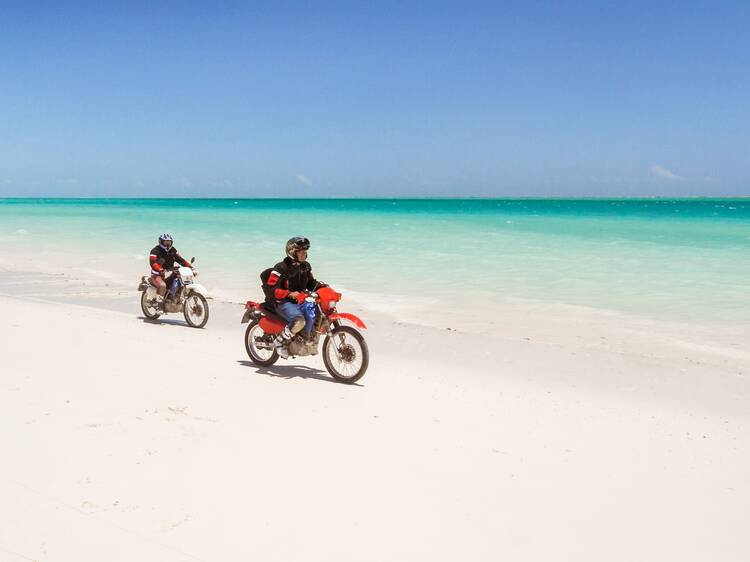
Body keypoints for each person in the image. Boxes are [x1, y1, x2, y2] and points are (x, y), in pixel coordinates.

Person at [263, 236, 325, 358]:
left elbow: (311, 283)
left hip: (299, 300)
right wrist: (289, 293)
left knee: (317, 312)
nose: (304, 254)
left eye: (305, 252)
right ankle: (280, 342)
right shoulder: (280, 267)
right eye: (301, 251)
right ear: (292, 252)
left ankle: (307, 339)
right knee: (299, 320)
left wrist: (323, 287)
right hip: (282, 302)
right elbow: (271, 289)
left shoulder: (305, 266)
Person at [149, 233, 192, 298]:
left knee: (181, 280)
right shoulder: (155, 251)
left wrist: (190, 267)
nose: (168, 244)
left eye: (169, 242)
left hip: (170, 272)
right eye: (166, 242)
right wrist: (160, 269)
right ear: (161, 242)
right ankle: (158, 300)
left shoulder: (173, 250)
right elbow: (153, 262)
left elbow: (180, 260)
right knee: (162, 285)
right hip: (157, 274)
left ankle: (174, 297)